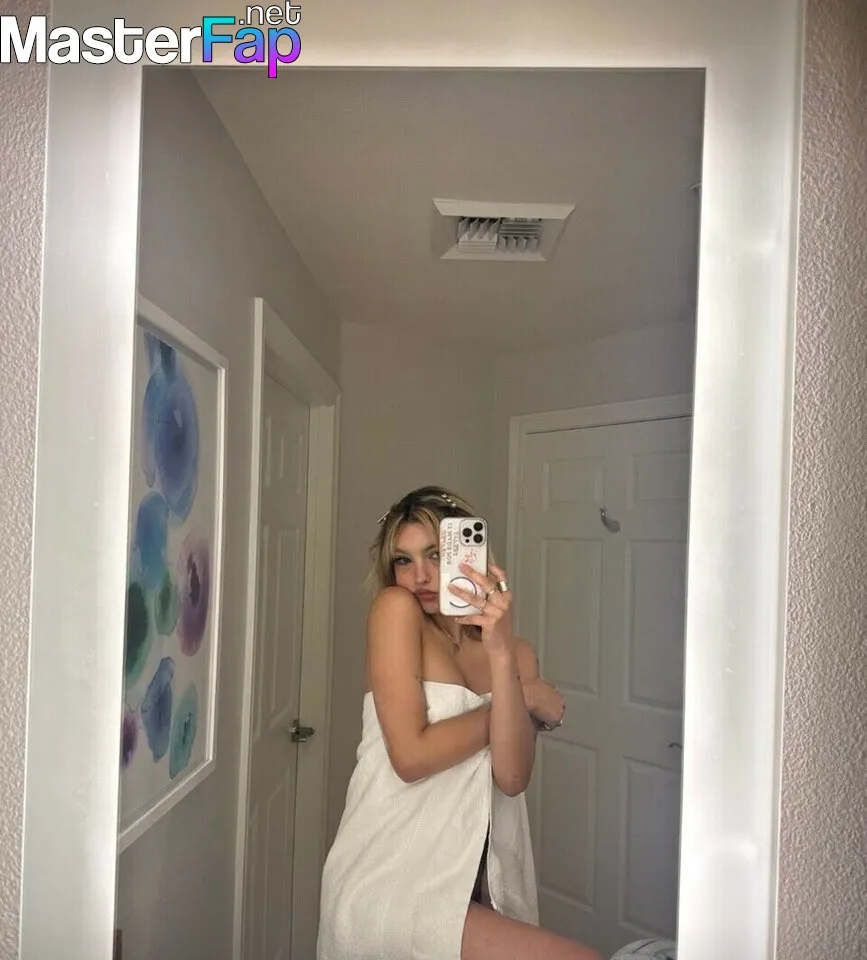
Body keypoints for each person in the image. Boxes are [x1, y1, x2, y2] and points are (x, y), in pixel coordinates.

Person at [317, 486, 603, 960]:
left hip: (478, 883)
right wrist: (521, 698)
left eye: (435, 554)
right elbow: (411, 757)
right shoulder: (395, 611)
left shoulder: (517, 655)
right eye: (404, 561)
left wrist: (500, 650)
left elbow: (511, 777)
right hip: (390, 879)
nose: (420, 576)